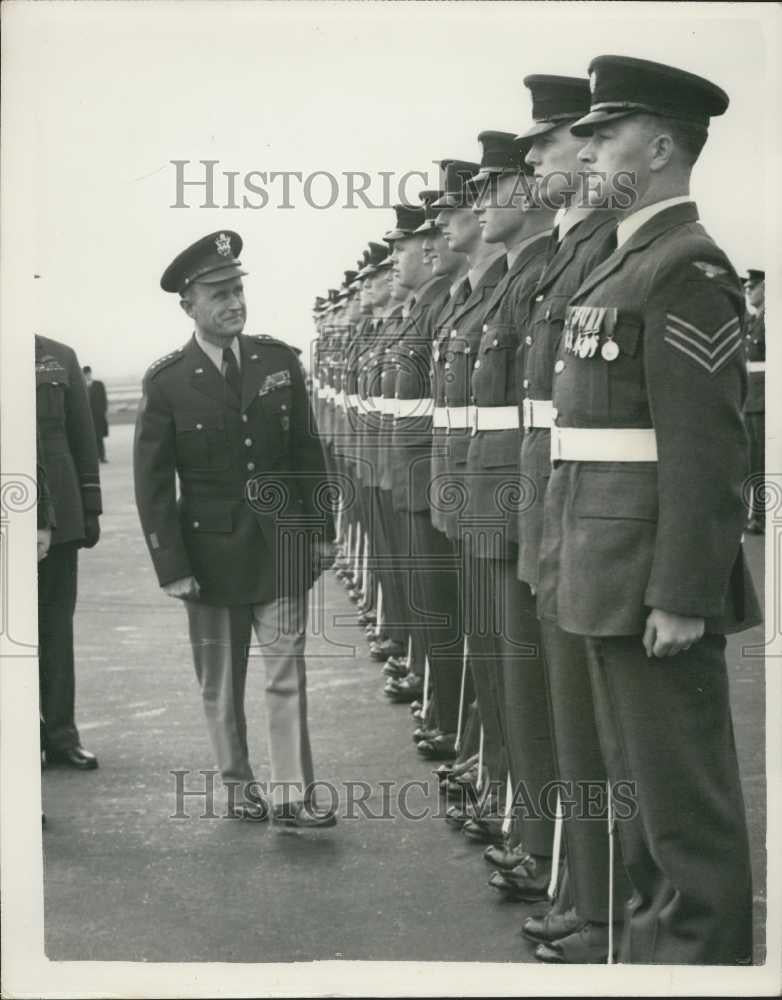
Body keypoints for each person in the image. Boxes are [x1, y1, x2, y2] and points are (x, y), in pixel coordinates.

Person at [537, 55, 761, 964]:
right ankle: (651, 961)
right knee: (637, 800)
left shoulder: (688, 267)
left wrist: (684, 592)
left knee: (681, 811)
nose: (588, 152)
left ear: (661, 145)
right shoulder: (626, 259)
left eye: (606, 134)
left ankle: (702, 962)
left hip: (648, 586)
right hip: (603, 571)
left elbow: (710, 455)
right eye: (583, 136)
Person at [133, 230, 337, 827]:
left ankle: (291, 794)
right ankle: (239, 784)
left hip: (281, 546)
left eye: (238, 290)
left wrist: (322, 528)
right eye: (218, 294)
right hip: (209, 557)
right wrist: (171, 566)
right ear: (188, 305)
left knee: (285, 672)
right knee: (221, 684)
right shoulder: (168, 381)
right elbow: (152, 482)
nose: (233, 303)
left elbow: (306, 451)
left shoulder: (278, 362)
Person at [36, 335, 102, 769]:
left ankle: (61, 735)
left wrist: (90, 508)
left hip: (59, 514)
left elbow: (83, 434)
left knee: (56, 629)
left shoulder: (58, 357)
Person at [742, 269, 765, 533]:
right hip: (753, 397)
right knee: (752, 459)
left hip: (764, 399)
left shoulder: (767, 321)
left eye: (752, 287)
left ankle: (761, 515)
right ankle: (756, 513)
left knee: (761, 460)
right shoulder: (754, 322)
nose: (748, 291)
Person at [82, 365, 109, 463]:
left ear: (90, 373)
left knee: (99, 437)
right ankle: (93, 458)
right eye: (85, 374)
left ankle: (102, 457)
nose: (87, 376)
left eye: (88, 374)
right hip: (87, 417)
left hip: (98, 416)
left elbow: (104, 399)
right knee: (89, 438)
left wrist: (103, 412)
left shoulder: (99, 384)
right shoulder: (81, 385)